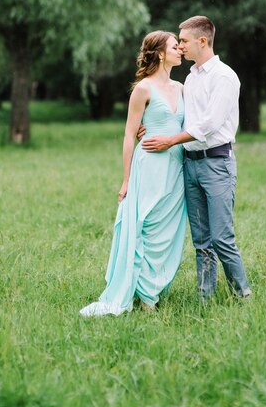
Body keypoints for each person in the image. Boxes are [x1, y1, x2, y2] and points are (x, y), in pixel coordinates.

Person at [142, 16, 251, 301]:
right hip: (190, 165)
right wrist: (150, 128)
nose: (180, 46)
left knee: (222, 238)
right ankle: (205, 299)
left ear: (202, 41)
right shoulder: (189, 79)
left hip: (217, 164)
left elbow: (208, 125)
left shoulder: (224, 77)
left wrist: (169, 141)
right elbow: (182, 119)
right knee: (202, 241)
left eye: (185, 41)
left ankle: (243, 295)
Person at [80, 31, 188, 317]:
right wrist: (126, 178)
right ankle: (144, 296)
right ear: (161, 54)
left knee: (168, 232)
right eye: (175, 47)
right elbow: (129, 135)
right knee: (146, 226)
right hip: (149, 166)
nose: (180, 50)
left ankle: (153, 288)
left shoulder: (181, 88)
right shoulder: (143, 89)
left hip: (176, 169)